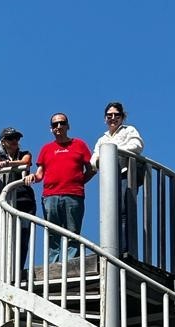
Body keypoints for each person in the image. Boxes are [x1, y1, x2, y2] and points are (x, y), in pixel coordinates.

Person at [24, 112, 94, 263]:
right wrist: (32, 177)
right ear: (51, 129)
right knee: (53, 235)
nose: (59, 126)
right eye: (55, 124)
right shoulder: (46, 149)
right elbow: (40, 174)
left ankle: (72, 266)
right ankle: (53, 266)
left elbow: (91, 169)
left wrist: (78, 182)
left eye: (62, 123)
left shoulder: (79, 144)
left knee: (73, 234)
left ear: (68, 126)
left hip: (73, 195)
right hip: (50, 196)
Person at [90, 102, 144, 254]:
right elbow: (93, 159)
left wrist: (113, 151)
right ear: (105, 118)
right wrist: (100, 160)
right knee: (110, 214)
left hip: (125, 175)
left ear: (122, 117)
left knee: (124, 211)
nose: (112, 118)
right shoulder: (102, 138)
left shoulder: (129, 130)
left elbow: (137, 145)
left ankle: (125, 249)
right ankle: (112, 248)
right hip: (109, 179)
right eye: (109, 115)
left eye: (116, 115)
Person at [0, 126, 36, 270]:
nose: (15, 141)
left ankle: (18, 269)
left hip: (24, 199)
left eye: (16, 138)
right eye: (11, 138)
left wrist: (7, 164)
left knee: (23, 237)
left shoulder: (24, 153)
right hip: (7, 201)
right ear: (3, 141)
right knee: (8, 236)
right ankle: (7, 269)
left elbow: (25, 162)